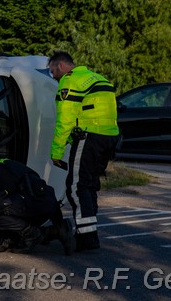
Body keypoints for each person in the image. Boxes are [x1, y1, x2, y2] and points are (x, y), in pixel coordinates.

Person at [48, 51, 119, 251]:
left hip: (89, 137)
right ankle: (89, 232)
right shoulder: (97, 78)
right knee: (89, 185)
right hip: (109, 137)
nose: (53, 76)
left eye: (52, 71)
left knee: (76, 187)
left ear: (61, 66)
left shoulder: (70, 81)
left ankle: (86, 238)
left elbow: (65, 120)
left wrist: (56, 152)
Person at [0, 153, 75, 255]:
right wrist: (58, 221)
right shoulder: (6, 163)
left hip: (33, 204)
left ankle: (32, 234)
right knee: (14, 234)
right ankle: (57, 230)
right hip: (48, 204)